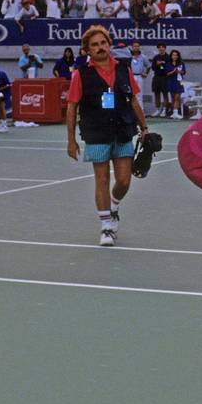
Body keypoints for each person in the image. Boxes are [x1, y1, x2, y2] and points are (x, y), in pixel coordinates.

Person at [65, 25, 149, 247]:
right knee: (101, 178)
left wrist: (144, 127)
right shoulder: (80, 75)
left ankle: (114, 205)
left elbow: (133, 100)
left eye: (103, 43)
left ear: (109, 45)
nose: (100, 47)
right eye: (95, 45)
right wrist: (71, 140)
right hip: (96, 132)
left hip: (123, 130)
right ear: (87, 50)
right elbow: (72, 107)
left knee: (123, 180)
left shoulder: (124, 69)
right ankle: (106, 227)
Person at [165, 49, 187, 120]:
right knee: (173, 98)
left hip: (179, 81)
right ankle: (174, 112)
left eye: (176, 55)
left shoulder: (181, 63)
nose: (175, 56)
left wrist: (180, 71)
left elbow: (184, 72)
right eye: (173, 55)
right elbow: (167, 74)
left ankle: (176, 113)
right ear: (171, 56)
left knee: (177, 97)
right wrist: (173, 71)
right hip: (171, 81)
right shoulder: (168, 64)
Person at [150, 43, 171, 117]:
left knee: (165, 94)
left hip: (165, 77)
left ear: (165, 48)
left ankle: (165, 110)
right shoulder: (156, 57)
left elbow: (169, 67)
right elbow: (152, 67)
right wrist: (157, 64)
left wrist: (163, 63)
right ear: (158, 49)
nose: (161, 48)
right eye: (159, 47)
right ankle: (158, 109)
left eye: (162, 47)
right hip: (157, 77)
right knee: (156, 94)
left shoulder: (168, 57)